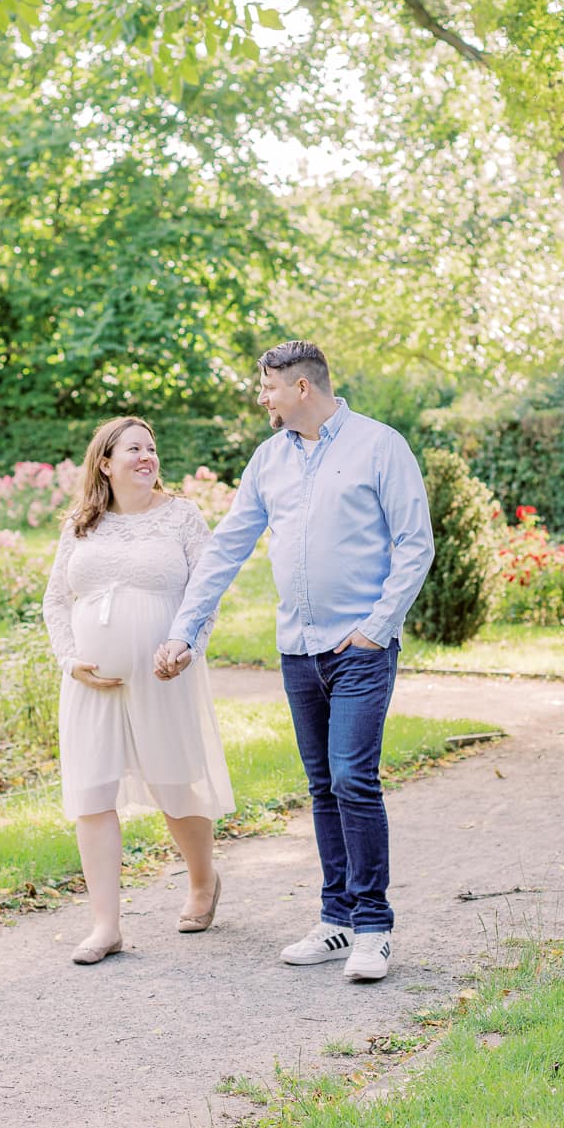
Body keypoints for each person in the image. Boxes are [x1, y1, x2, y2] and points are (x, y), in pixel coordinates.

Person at [155, 341, 434, 983]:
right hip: (297, 650)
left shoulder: (379, 445)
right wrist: (184, 630)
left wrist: (375, 629)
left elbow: (415, 545)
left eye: (269, 388)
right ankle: (336, 921)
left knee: (352, 779)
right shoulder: (269, 460)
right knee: (321, 787)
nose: (263, 398)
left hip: (359, 650)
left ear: (302, 388)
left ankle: (373, 928)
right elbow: (226, 549)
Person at [43, 416, 234, 965]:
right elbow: (56, 599)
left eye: (152, 448)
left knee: (175, 784)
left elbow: (208, 590)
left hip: (163, 671)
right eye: (134, 449)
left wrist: (185, 645)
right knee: (92, 793)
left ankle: (202, 881)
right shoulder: (82, 523)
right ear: (105, 462)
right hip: (90, 681)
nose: (147, 457)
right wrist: (69, 659)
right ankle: (106, 926)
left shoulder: (181, 517)